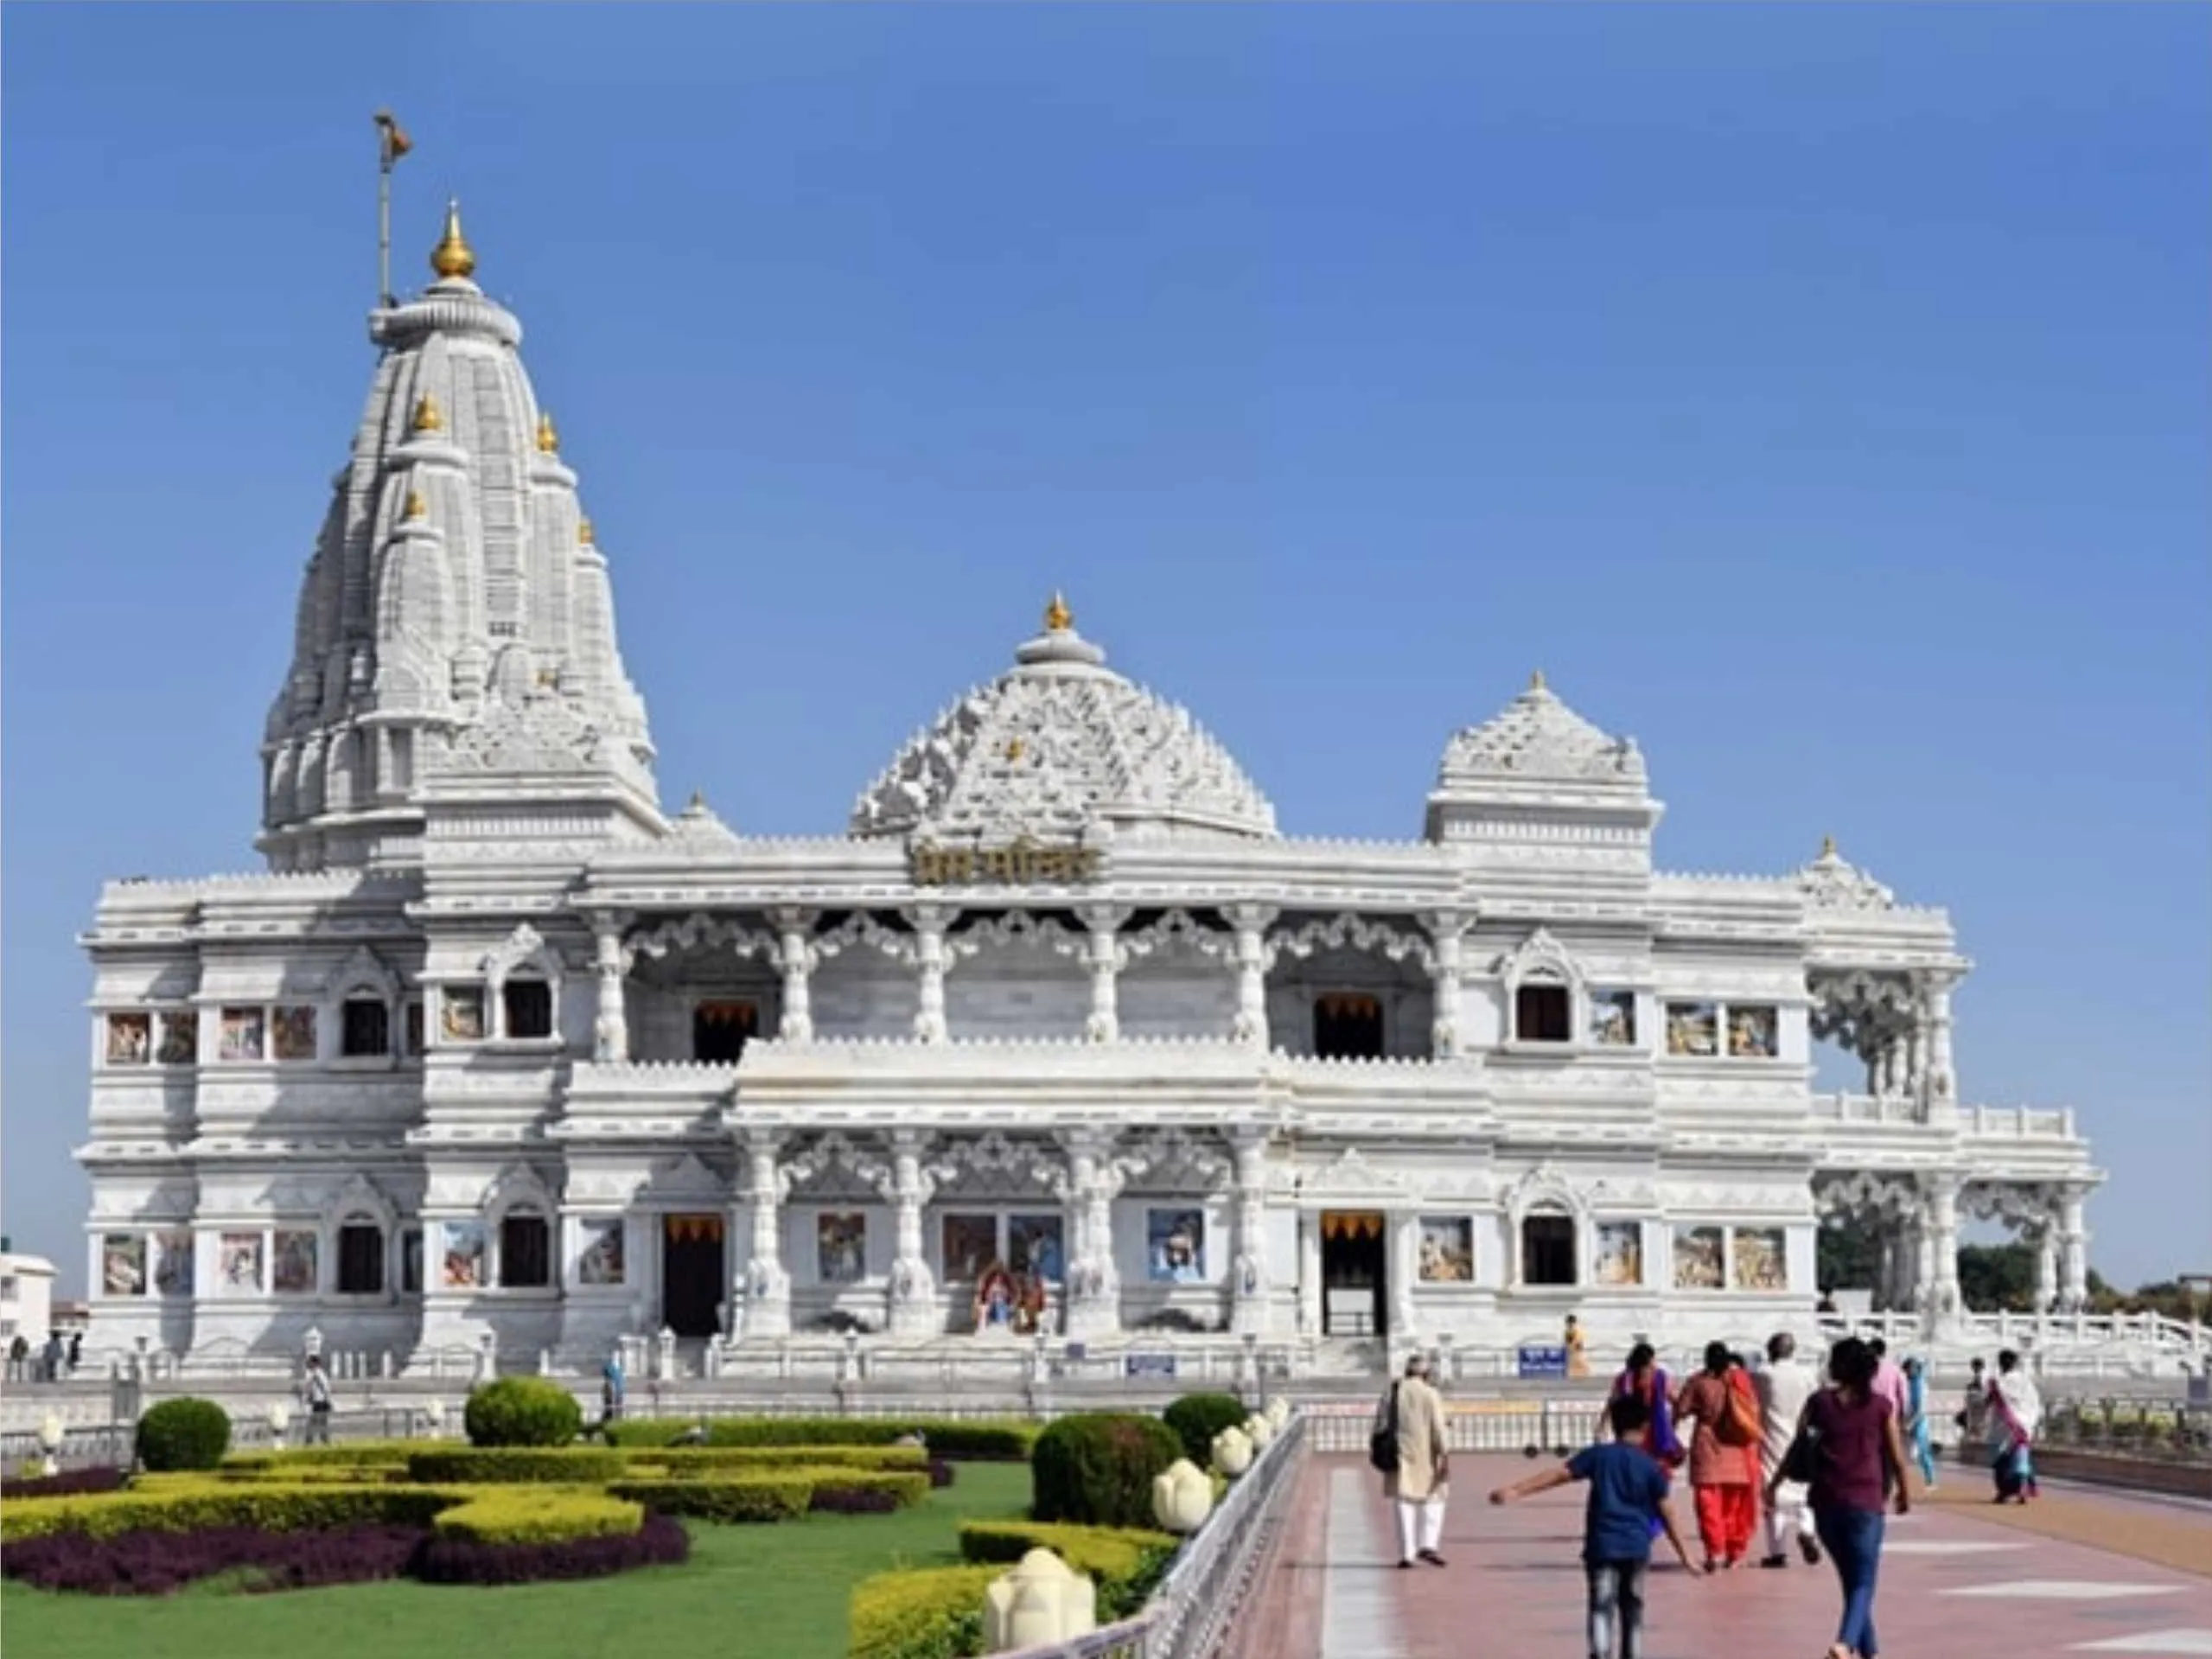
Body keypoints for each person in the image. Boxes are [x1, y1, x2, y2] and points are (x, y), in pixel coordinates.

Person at [1490, 1394, 1703, 1659]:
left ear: (1613, 1424)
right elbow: (1668, 1512)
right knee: (1632, 1608)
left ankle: (1600, 1654)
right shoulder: (1651, 1467)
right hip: (1636, 1547)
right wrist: (1686, 1556)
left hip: (1602, 1546)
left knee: (1601, 1606)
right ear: (1646, 1426)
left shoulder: (1598, 1457)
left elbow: (1559, 1475)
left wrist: (1516, 1490)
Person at [1778, 1335, 1911, 1659]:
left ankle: (1871, 1652)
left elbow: (1800, 1446)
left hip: (1826, 1502)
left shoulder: (1819, 1403)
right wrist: (1905, 1492)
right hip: (1865, 1501)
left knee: (1852, 1583)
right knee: (1863, 1583)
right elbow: (1896, 1456)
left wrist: (1775, 1483)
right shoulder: (1881, 1406)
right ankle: (1844, 1644)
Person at [1673, 1340, 1761, 1570]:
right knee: (1734, 1504)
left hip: (1707, 1444)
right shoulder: (1739, 1380)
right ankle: (1735, 1552)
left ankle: (1715, 1550)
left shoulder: (1698, 1382)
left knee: (1707, 1502)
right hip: (1736, 1447)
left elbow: (1681, 1410)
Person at [1374, 1352, 1450, 1568]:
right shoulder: (1430, 1394)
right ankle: (1428, 1544)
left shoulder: (1392, 1392)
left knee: (1403, 1503)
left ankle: (1406, 1553)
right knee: (1434, 1499)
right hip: (1427, 1454)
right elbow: (1438, 1427)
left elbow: (1380, 1423)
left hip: (1399, 1453)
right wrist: (1445, 1453)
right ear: (1426, 1373)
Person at [1754, 1331, 1821, 1569]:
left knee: (1774, 1495)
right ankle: (1807, 1531)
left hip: (1774, 1436)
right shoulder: (1807, 1375)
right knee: (1804, 1492)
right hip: (1801, 1436)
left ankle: (1777, 1551)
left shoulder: (1765, 1374)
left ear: (1772, 1350)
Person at [1610, 1343, 1685, 1471]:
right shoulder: (1658, 1377)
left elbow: (1612, 1402)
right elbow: (1675, 1401)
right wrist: (1674, 1420)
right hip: (1648, 1429)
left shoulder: (1626, 1378)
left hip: (1637, 1429)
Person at [1988, 1348, 2043, 1503]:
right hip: (2023, 1425)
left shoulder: (1999, 1382)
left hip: (2004, 1426)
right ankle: (2021, 1488)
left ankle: (2005, 1492)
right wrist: (2029, 1420)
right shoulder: (2026, 1382)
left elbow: (1990, 1399)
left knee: (2002, 1459)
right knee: (2020, 1457)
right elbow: (2034, 1403)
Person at [1901, 1357, 1937, 1491]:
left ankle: (1930, 1480)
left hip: (1919, 1421)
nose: (1907, 1373)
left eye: (1909, 1369)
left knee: (1920, 1451)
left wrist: (1910, 1424)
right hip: (1909, 1420)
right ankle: (1926, 1480)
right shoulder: (1909, 1382)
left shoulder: (1919, 1383)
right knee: (1911, 1452)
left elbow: (1920, 1408)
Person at [1957, 1356, 1991, 1455]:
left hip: (1979, 1404)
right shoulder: (1983, 1375)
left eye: (1974, 1367)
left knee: (1968, 1422)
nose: (1973, 1369)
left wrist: (1971, 1387)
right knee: (1968, 1422)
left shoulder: (1982, 1375)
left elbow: (1980, 1387)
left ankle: (1972, 1447)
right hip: (1977, 1404)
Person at [301, 1354, 333, 1445]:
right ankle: (322, 1441)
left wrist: (327, 1400)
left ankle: (311, 1441)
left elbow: (325, 1388)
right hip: (318, 1402)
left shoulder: (318, 1374)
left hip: (320, 1402)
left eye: (309, 1362)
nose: (307, 1364)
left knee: (316, 1423)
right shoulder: (315, 1374)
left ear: (314, 1363)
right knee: (319, 1423)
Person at [1565, 1314, 1590, 1380]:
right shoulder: (1568, 1330)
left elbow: (1577, 1339)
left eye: (1570, 1322)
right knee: (1574, 1362)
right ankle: (1576, 1375)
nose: (1569, 1324)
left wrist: (1571, 1346)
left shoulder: (1576, 1330)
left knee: (1580, 1361)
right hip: (1572, 1349)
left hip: (1577, 1348)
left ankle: (1584, 1374)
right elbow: (1567, 1340)